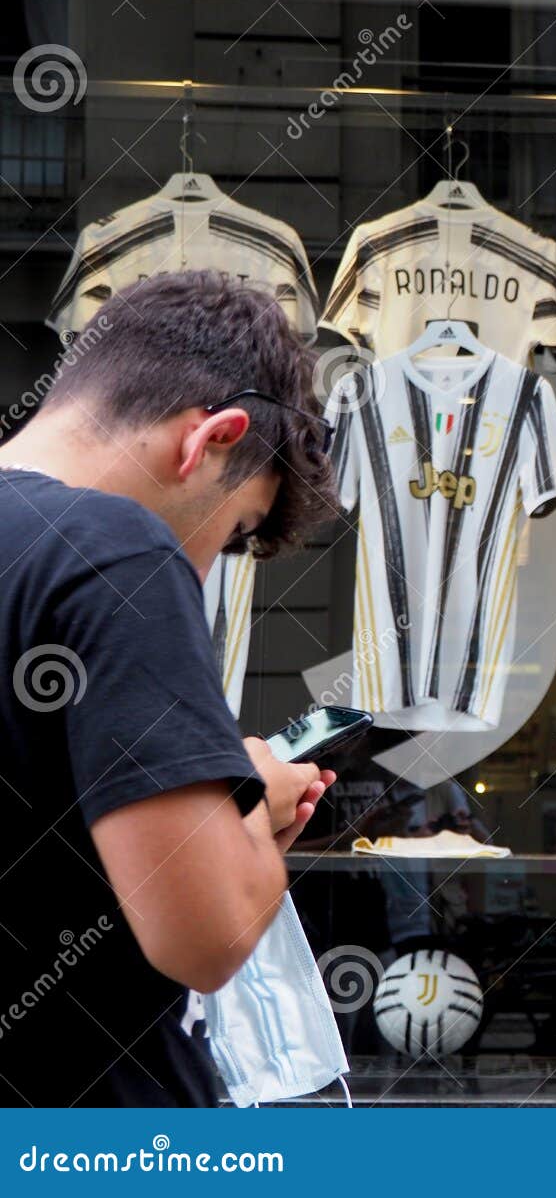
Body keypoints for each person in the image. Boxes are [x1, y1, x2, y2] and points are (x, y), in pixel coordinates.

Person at [0, 270, 338, 1106]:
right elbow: (207, 936)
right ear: (209, 440)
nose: (205, 570)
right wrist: (249, 804)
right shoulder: (119, 554)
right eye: (233, 536)